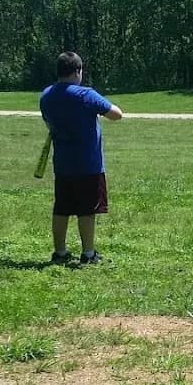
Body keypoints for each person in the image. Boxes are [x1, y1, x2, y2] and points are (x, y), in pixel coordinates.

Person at [39, 51, 123, 264]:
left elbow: (48, 123)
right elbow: (116, 114)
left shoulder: (46, 95)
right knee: (87, 210)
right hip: (88, 164)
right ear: (77, 71)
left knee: (62, 208)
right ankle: (88, 253)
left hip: (63, 164)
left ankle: (59, 252)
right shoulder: (86, 95)